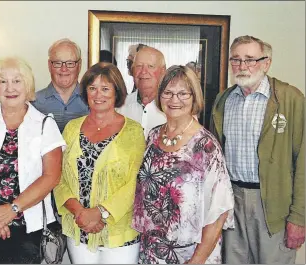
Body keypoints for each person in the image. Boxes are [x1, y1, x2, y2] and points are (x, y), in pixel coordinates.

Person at [0, 57, 65, 264]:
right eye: (3, 81)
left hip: (29, 227)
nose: (10, 88)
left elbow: (51, 176)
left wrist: (12, 209)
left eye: (17, 81)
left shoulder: (45, 125)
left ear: (28, 86)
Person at [210, 35, 305, 264]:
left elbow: (303, 160)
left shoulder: (290, 98)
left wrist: (299, 216)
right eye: (236, 59)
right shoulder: (223, 100)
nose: (242, 66)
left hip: (273, 205)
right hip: (233, 201)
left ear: (266, 63)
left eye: (250, 59)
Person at [133, 65, 234, 264]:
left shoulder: (206, 145)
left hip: (191, 254)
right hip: (151, 250)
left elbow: (219, 210)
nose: (174, 100)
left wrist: (197, 260)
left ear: (194, 97)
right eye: (168, 93)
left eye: (183, 94)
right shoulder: (153, 135)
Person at [54, 62, 145, 264]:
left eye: (105, 89)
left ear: (116, 92)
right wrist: (80, 213)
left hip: (118, 233)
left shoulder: (133, 131)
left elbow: (135, 182)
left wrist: (100, 213)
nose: (98, 95)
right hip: (79, 228)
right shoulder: (71, 128)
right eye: (92, 88)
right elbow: (58, 176)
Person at [32, 38, 89, 132]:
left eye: (70, 63)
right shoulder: (33, 103)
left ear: (79, 65)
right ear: (49, 65)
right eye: (58, 63)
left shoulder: (93, 101)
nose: (64, 69)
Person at [117, 46, 167, 138]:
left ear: (163, 71)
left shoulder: (173, 108)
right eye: (139, 66)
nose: (143, 72)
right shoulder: (120, 107)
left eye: (150, 66)